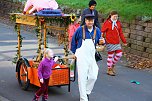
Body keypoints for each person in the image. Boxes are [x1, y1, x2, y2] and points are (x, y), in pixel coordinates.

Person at [71, 14, 102, 101]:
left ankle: (87, 92)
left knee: (93, 76)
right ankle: (83, 98)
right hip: (81, 56)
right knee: (82, 77)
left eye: (91, 20)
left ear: (93, 21)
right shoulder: (80, 30)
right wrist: (74, 52)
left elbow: (100, 42)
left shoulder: (97, 30)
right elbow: (73, 40)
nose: (90, 22)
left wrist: (102, 42)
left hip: (91, 56)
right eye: (88, 20)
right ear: (85, 21)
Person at [101, 10, 127, 76]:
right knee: (111, 56)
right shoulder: (107, 22)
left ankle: (112, 64)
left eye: (117, 17)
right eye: (114, 16)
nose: (116, 18)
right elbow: (102, 31)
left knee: (119, 54)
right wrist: (101, 40)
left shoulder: (118, 23)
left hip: (116, 42)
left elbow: (120, 33)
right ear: (111, 16)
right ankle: (109, 69)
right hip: (109, 41)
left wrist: (124, 41)